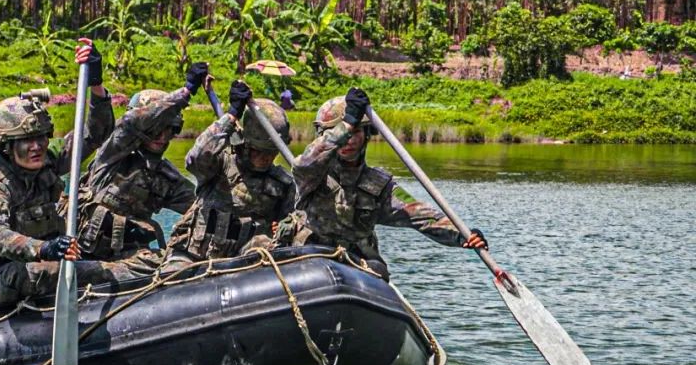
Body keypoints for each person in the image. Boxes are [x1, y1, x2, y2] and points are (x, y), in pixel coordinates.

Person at [0, 39, 120, 313]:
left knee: (101, 266)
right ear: (7, 147)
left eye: (42, 138)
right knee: (42, 271)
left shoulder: (46, 162)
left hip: (37, 263)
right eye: (27, 141)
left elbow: (95, 134)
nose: (37, 146)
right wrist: (43, 249)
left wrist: (96, 83)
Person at [276, 87, 487, 280]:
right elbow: (304, 163)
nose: (348, 140)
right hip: (309, 255)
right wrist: (347, 124)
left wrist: (462, 234)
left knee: (378, 271)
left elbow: (421, 216)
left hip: (357, 262)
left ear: (367, 134)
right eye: (342, 134)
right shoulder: (312, 173)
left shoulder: (379, 185)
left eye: (356, 132)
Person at [69, 63, 208, 275]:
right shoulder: (112, 155)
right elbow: (130, 125)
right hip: (79, 253)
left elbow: (204, 207)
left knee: (174, 264)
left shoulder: (166, 178)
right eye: (156, 129)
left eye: (169, 129)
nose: (162, 137)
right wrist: (186, 92)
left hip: (125, 259)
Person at [162, 81, 295, 271]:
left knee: (264, 246)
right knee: (173, 277)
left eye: (272, 152)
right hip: (193, 256)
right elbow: (196, 157)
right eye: (259, 151)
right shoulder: (220, 164)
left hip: (243, 265)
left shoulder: (282, 184)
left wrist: (283, 228)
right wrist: (231, 115)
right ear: (246, 144)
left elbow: (291, 223)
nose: (266, 157)